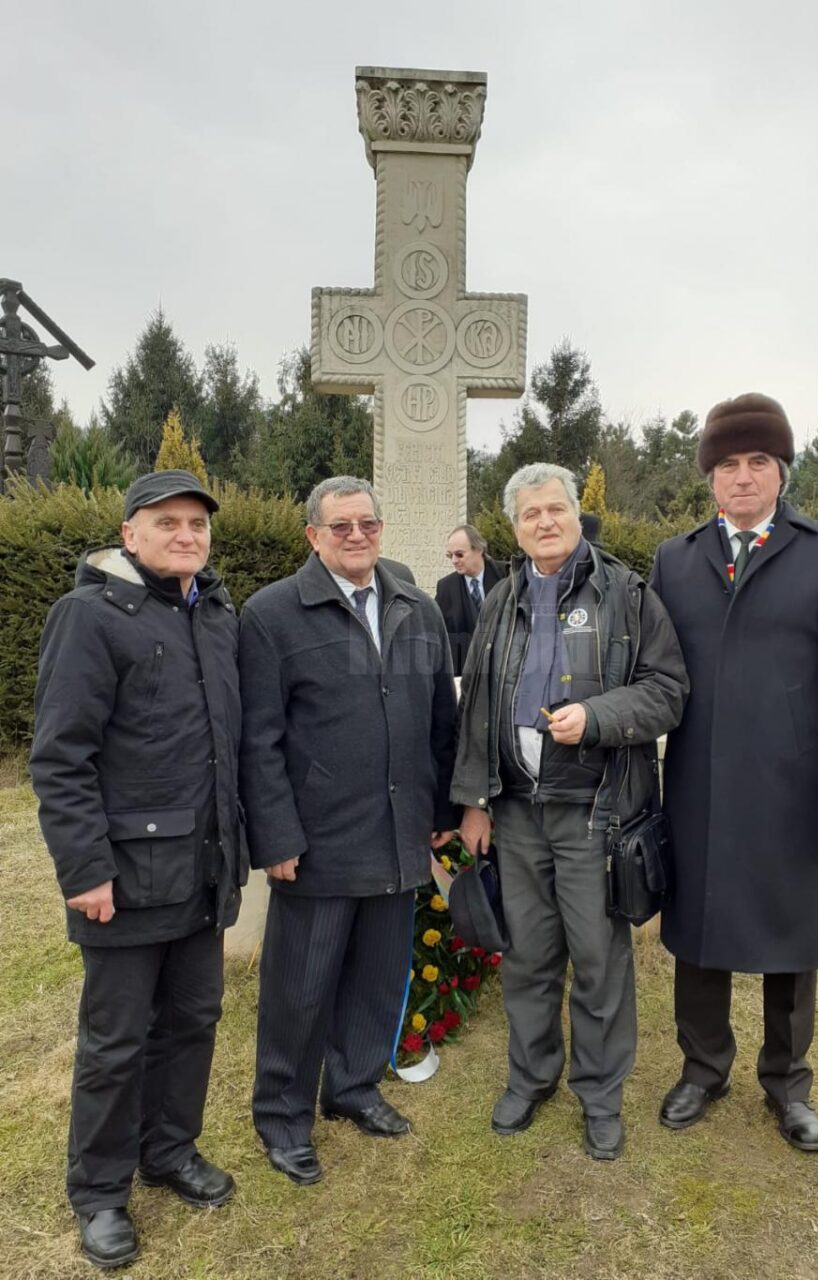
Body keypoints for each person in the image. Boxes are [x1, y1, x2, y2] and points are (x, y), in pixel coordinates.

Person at [649, 392, 818, 1152]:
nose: (742, 477)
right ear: (709, 477)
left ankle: (786, 1083)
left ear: (782, 471)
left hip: (794, 787)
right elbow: (653, 672)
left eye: (757, 462)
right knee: (700, 931)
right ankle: (703, 1067)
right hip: (698, 786)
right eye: (727, 464)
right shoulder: (674, 560)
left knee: (792, 937)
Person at [29, 470, 245, 1269]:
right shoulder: (90, 617)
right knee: (116, 1042)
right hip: (121, 881)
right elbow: (60, 758)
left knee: (192, 1022)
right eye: (168, 523)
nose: (187, 535)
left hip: (204, 869)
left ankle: (170, 1151)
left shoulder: (216, 614)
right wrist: (84, 869)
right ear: (129, 534)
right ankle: (99, 1191)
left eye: (197, 524)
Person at [452, 463, 688, 1160]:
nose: (545, 522)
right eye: (531, 515)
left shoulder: (626, 593)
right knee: (526, 957)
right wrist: (473, 800)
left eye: (556, 509)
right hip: (518, 811)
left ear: (577, 514)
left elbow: (668, 690)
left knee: (597, 958)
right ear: (515, 528)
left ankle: (600, 1094)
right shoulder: (499, 599)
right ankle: (530, 1078)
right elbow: (477, 710)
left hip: (598, 811)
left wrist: (597, 715)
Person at [239, 476, 458, 1186]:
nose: (356, 536)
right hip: (318, 840)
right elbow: (259, 740)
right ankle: (282, 1115)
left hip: (399, 832)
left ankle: (355, 1087)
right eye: (340, 527)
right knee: (300, 987)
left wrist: (443, 816)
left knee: (378, 974)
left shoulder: (418, 610)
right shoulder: (272, 616)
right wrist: (274, 836)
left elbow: (440, 727)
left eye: (367, 524)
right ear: (312, 536)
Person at [434, 524, 506, 676]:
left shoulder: (506, 576)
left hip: (504, 669)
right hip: (466, 675)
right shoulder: (446, 588)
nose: (454, 560)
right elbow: (439, 635)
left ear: (479, 550)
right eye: (450, 555)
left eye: (459, 554)